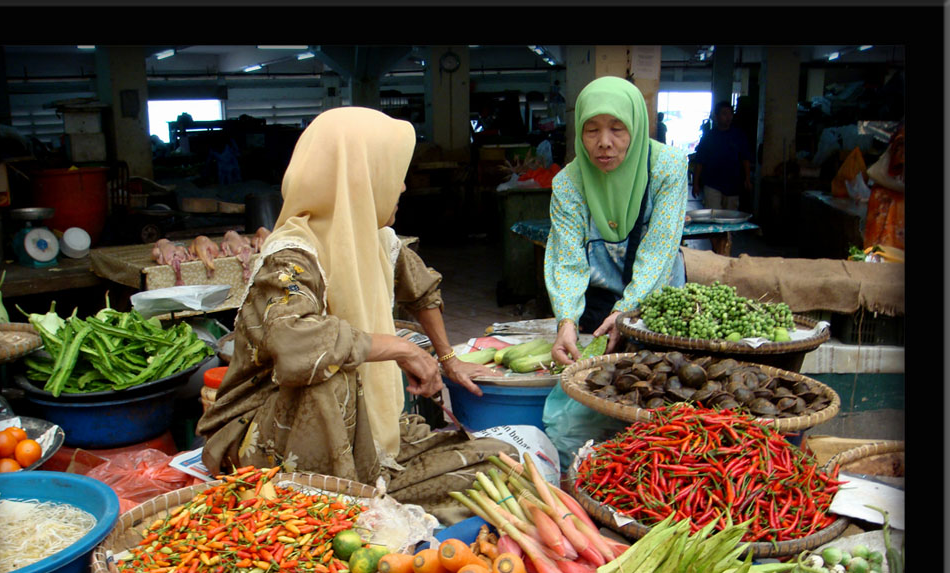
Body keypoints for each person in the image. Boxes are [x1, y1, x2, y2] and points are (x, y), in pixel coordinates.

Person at [196, 107, 514, 524]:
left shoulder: (376, 239)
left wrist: (447, 359)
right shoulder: (291, 256)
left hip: (350, 432)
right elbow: (296, 341)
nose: (401, 185)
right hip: (263, 433)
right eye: (393, 172)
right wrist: (400, 348)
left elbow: (422, 290)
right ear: (360, 176)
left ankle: (370, 473)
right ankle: (347, 500)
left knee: (502, 462)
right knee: (329, 378)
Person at [545, 76, 688, 367]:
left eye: (617, 129)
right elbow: (567, 261)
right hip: (596, 304)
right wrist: (566, 321)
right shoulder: (568, 185)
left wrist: (625, 311)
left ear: (635, 127)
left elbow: (659, 252)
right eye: (592, 130)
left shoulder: (667, 168)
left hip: (656, 298)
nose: (604, 143)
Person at [691, 101, 753, 210]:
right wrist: (695, 183)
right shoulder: (708, 137)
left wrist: (747, 178)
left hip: (733, 185)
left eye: (730, 114)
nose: (728, 117)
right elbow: (699, 161)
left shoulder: (739, 136)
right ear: (716, 116)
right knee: (713, 215)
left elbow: (745, 158)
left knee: (730, 219)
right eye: (724, 114)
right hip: (712, 184)